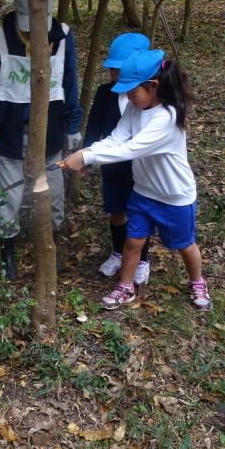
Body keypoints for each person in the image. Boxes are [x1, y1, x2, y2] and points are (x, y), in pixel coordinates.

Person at [61, 50, 211, 312]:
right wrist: (85, 153)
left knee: (185, 245)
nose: (128, 97)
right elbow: (117, 138)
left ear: (153, 86)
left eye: (132, 91)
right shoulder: (134, 108)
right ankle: (125, 286)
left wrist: (89, 157)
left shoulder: (167, 117)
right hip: (143, 191)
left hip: (174, 195)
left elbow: (131, 149)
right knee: (133, 241)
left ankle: (197, 282)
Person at [0, 0, 83, 281]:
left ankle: (49, 244)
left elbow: (69, 82)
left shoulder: (63, 38)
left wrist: (74, 125)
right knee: (8, 198)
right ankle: (7, 248)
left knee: (53, 195)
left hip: (50, 134)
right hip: (8, 133)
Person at [84, 33, 152, 283]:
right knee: (116, 211)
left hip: (142, 168)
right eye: (111, 67)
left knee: (140, 213)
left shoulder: (151, 98)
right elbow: (94, 126)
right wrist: (86, 154)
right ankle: (118, 252)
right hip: (113, 166)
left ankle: (142, 259)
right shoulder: (105, 93)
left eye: (118, 68)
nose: (113, 72)